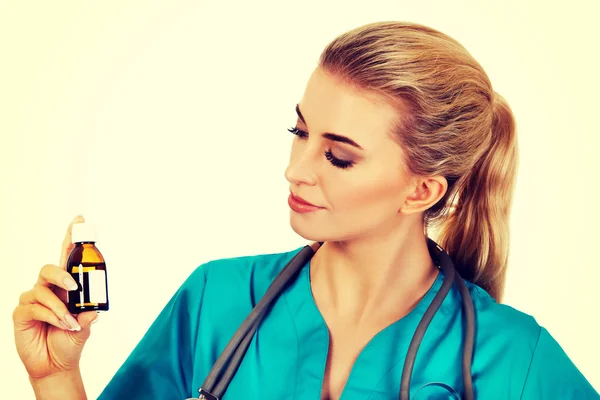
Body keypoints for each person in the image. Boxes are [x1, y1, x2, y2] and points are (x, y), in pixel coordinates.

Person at [13, 21, 599, 400]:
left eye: (338, 156)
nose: (296, 169)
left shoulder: (515, 361)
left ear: (421, 191)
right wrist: (55, 377)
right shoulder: (215, 302)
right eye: (299, 131)